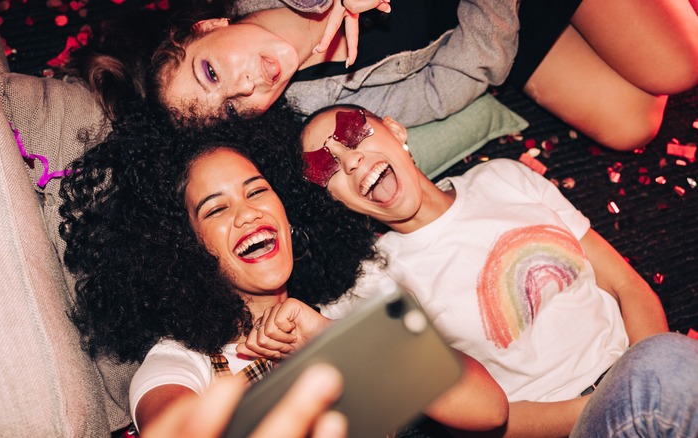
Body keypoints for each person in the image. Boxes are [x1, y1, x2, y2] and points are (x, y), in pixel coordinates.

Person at [239, 103, 698, 437]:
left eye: (355, 134)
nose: (352, 159)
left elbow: (626, 285)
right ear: (334, 200)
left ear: (396, 130)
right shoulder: (372, 285)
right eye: (327, 168)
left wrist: (647, 368)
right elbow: (490, 417)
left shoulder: (504, 176)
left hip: (656, 375)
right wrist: (625, 393)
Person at [58, 104, 508, 436]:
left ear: (288, 214)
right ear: (184, 247)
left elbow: (489, 409)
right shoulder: (182, 361)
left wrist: (329, 338)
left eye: (256, 191)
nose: (247, 214)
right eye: (216, 210)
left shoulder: (345, 308)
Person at [70, 0, 698, 151]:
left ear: (208, 27)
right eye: (232, 109)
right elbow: (435, 88)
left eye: (212, 72)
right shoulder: (306, 99)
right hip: (495, 18)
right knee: (631, 123)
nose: (246, 86)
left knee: (678, 65)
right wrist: (492, 48)